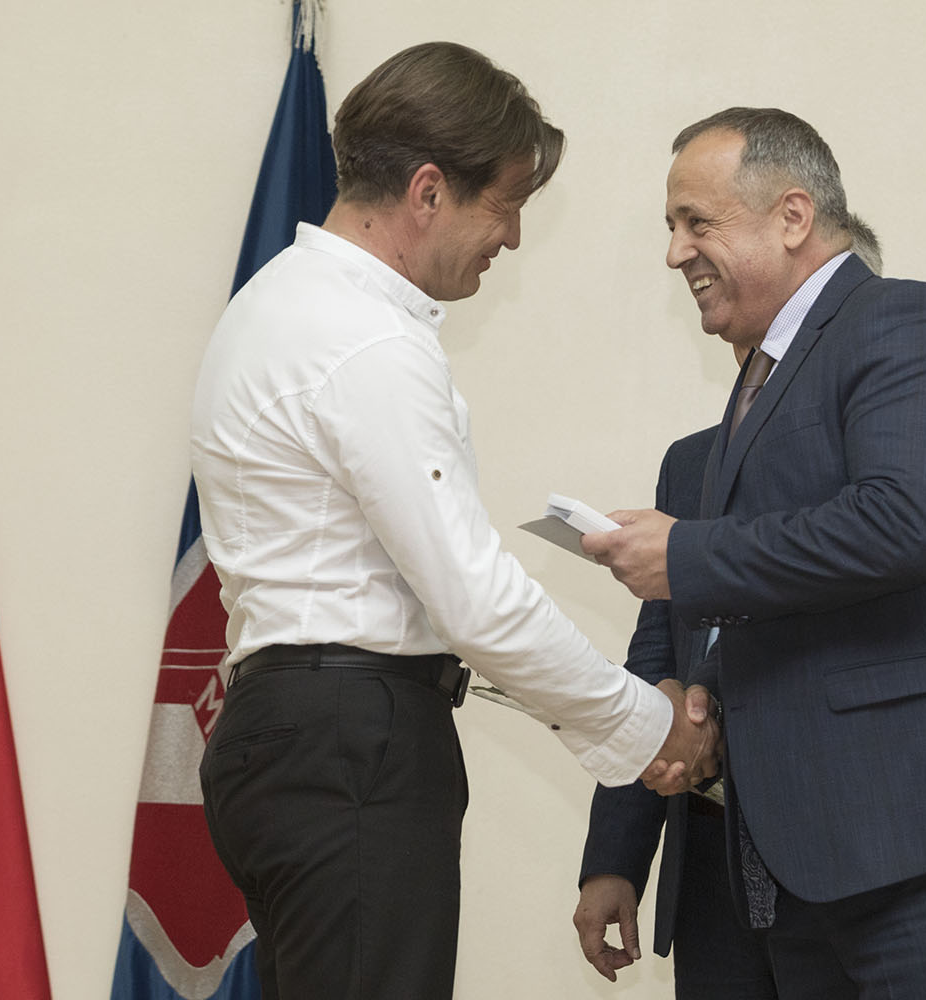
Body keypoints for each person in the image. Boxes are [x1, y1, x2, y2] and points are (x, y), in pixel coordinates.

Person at [190, 43, 714, 1000]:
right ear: (428, 190)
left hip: (294, 733)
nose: (511, 236)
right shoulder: (366, 341)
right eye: (504, 203)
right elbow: (476, 600)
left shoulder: (276, 302)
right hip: (352, 748)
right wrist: (647, 727)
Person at [582, 107, 926, 998]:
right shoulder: (749, 399)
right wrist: (699, 708)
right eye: (671, 226)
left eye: (697, 222)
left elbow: (901, 523)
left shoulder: (907, 322)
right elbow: (767, 614)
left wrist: (688, 557)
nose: (675, 253)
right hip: (798, 875)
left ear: (792, 216)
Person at [572, 226, 882, 998]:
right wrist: (614, 861)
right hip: (712, 866)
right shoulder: (690, 464)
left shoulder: (870, 469)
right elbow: (656, 665)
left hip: (843, 859)